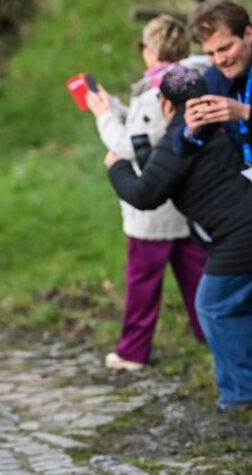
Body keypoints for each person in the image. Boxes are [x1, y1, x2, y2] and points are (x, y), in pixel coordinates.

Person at [107, 64, 252, 412]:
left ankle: (239, 394)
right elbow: (168, 175)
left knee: (213, 306)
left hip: (239, 235)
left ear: (167, 104)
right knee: (234, 304)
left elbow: (145, 194)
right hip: (241, 225)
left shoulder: (181, 137)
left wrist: (116, 166)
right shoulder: (216, 122)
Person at [85, 15, 209, 371]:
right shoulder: (178, 81)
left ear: (151, 49)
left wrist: (101, 116)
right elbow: (144, 127)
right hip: (182, 204)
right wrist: (114, 106)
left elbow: (127, 143)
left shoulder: (158, 89)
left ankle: (133, 351)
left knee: (143, 284)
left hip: (152, 207)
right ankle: (212, 334)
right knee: (197, 275)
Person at [184, 1, 252, 160]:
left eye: (225, 48)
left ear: (248, 34)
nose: (219, 60)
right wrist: (191, 130)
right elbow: (184, 149)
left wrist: (245, 113)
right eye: (210, 53)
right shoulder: (214, 79)